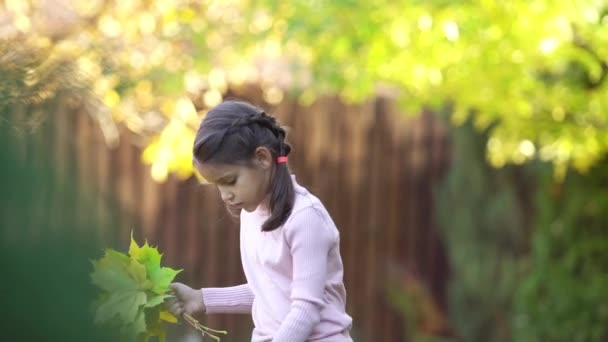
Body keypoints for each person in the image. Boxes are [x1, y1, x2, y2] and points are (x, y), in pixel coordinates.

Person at [166, 100, 353, 341]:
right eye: (217, 186)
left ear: (263, 158)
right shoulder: (251, 215)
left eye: (230, 181)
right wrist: (201, 298)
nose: (225, 195)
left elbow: (306, 310)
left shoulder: (305, 219)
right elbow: (270, 291)